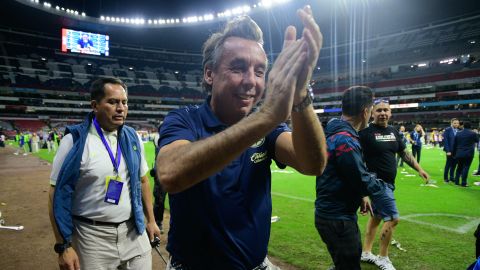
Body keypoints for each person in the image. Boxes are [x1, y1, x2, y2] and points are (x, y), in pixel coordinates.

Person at [156, 7, 327, 269]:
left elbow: (313, 164)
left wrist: (300, 94)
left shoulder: (266, 128)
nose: (251, 81)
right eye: (238, 68)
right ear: (209, 74)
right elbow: (170, 174)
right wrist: (267, 116)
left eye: (260, 72)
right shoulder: (184, 119)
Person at [48, 77, 160, 270]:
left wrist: (151, 221)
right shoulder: (74, 141)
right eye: (112, 102)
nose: (121, 108)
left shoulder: (132, 137)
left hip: (134, 231)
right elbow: (55, 194)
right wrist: (63, 246)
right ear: (95, 105)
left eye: (124, 102)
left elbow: (143, 181)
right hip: (91, 238)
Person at [315, 86, 392, 270]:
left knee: (343, 263)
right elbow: (360, 178)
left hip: (332, 213)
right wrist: (384, 190)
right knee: (349, 265)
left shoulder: (337, 131)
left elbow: (346, 173)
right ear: (366, 112)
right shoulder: (345, 139)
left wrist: (361, 195)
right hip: (337, 218)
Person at [359, 98, 430, 270]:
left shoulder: (393, 131)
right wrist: (362, 191)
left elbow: (404, 153)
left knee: (376, 218)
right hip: (376, 183)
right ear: (372, 113)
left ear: (390, 113)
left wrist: (419, 169)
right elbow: (357, 161)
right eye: (379, 110)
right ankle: (383, 257)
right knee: (393, 218)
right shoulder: (365, 133)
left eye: (386, 110)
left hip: (389, 183)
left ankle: (366, 252)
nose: (383, 113)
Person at [452, 122, 479, 187]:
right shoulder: (473, 133)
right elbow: (477, 140)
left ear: (463, 126)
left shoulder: (458, 133)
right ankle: (463, 183)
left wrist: (454, 153)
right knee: (466, 167)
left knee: (459, 167)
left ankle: (456, 182)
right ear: (470, 127)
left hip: (459, 153)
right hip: (468, 153)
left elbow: (455, 144)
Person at [151, 130, 167, 234]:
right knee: (159, 200)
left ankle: (158, 221)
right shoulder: (158, 138)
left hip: (171, 171)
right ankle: (157, 222)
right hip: (161, 173)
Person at [443, 118, 459, 183]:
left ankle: (452, 177)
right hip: (450, 151)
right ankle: (445, 178)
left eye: (457, 123)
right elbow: (445, 141)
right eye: (455, 123)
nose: (456, 124)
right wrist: (447, 151)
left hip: (457, 151)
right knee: (448, 164)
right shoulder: (447, 130)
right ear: (451, 123)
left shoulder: (459, 130)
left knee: (454, 165)